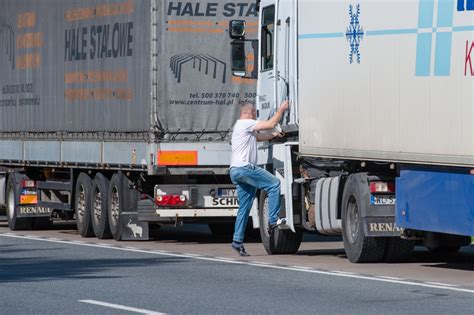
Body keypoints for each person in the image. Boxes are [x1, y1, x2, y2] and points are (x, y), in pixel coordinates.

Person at [229, 100, 289, 256]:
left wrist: (275, 134)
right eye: (255, 113)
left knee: (244, 208)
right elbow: (270, 123)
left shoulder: (241, 128)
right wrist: (281, 109)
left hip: (236, 170)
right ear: (249, 113)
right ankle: (272, 219)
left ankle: (237, 241)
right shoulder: (245, 123)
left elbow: (261, 137)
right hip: (245, 169)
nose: (256, 116)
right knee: (274, 184)